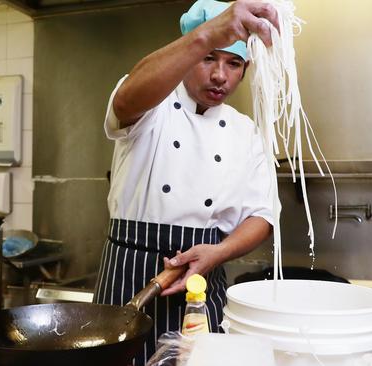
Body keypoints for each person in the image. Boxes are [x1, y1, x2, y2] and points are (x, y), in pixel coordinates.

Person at [95, 0, 279, 364]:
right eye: (208, 57)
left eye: (233, 63)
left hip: (203, 279)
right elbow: (125, 100)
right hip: (128, 276)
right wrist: (209, 32)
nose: (219, 76)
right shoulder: (153, 103)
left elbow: (262, 215)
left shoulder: (246, 132)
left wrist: (220, 253)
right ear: (187, 52)